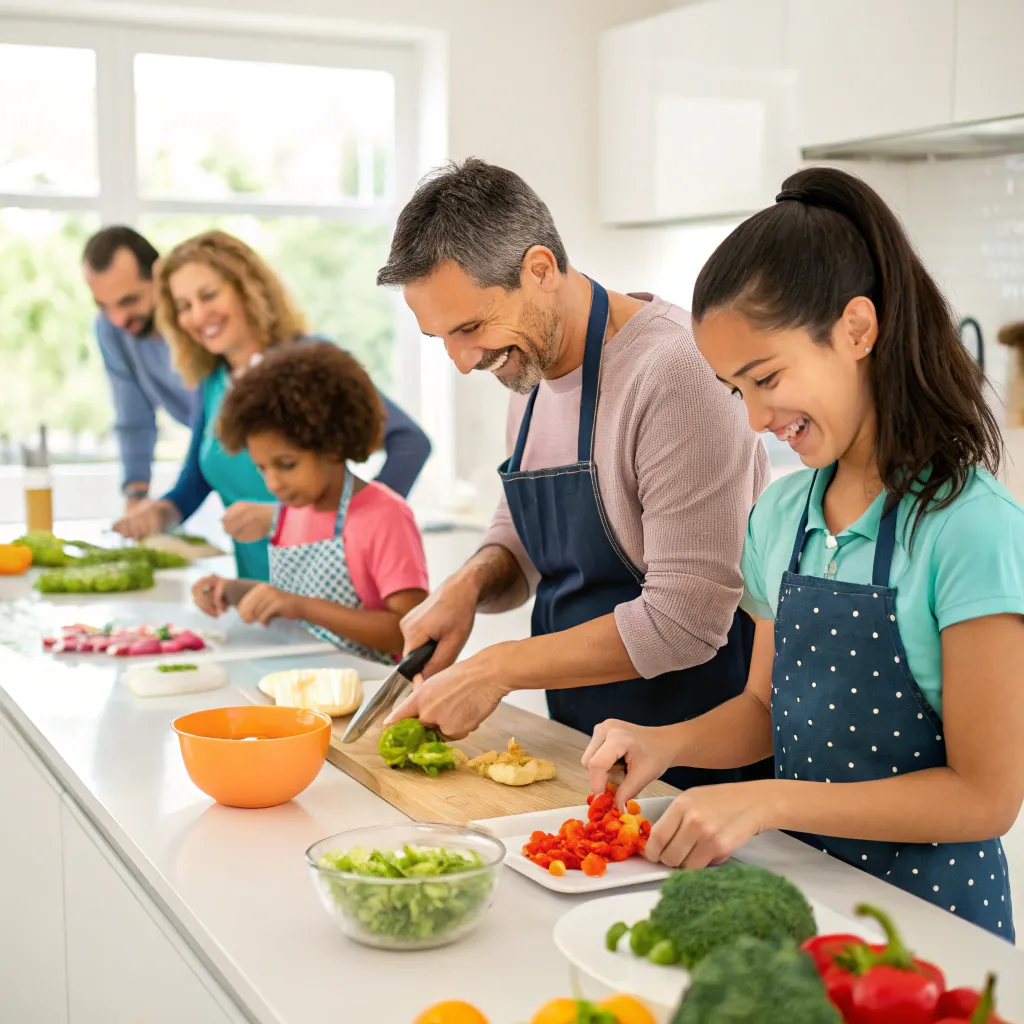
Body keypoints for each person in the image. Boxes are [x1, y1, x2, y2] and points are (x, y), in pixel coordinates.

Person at [583, 166, 1024, 940]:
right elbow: (764, 709)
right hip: (804, 896)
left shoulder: (971, 529)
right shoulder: (780, 515)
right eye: (733, 391)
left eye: (766, 377)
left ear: (857, 330)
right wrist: (667, 743)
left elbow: (985, 796)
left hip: (934, 930)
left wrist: (770, 799)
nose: (753, 418)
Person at [378, 158, 769, 791]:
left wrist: (496, 669)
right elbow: (520, 533)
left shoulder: (674, 375)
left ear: (540, 270)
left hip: (693, 758)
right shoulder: (527, 371)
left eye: (471, 327)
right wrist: (469, 586)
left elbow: (685, 623)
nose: (461, 361)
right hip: (586, 742)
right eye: (440, 337)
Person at [113, 230, 431, 580]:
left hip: (336, 590)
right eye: (184, 306)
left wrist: (331, 521)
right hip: (259, 596)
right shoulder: (214, 381)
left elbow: (410, 443)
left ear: (248, 289)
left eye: (208, 295)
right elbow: (197, 479)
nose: (198, 315)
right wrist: (161, 513)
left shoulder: (311, 362)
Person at [193, 343, 428, 664]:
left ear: (332, 444)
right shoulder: (292, 511)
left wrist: (299, 606)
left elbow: (407, 631)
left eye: (287, 464)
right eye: (262, 468)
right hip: (306, 681)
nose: (273, 483)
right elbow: (291, 601)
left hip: (371, 691)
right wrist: (232, 591)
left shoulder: (385, 515)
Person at [83, 226, 195, 510]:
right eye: (103, 305)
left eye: (128, 301)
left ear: (159, 276)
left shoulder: (196, 321)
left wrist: (175, 504)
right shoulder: (110, 329)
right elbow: (134, 417)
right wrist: (136, 495)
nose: (118, 319)